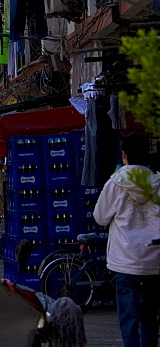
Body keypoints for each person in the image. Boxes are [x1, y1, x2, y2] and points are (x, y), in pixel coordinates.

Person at [94, 134, 160, 347]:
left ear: (125, 156)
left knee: (128, 318)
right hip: (154, 260)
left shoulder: (116, 182)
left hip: (125, 259)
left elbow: (100, 217)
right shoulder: (157, 182)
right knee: (150, 317)